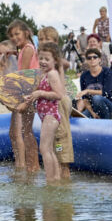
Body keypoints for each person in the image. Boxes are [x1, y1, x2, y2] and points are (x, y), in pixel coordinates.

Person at [18, 42, 65, 183]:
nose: (43, 61)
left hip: (51, 115)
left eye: (47, 59)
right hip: (46, 116)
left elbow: (59, 94)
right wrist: (31, 96)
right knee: (49, 148)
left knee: (44, 148)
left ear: (55, 60)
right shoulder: (45, 74)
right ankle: (56, 178)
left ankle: (49, 180)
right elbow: (41, 93)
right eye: (41, 58)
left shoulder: (52, 74)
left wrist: (40, 93)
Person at [38, 27, 74, 179]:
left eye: (47, 40)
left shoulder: (56, 63)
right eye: (41, 40)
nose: (43, 42)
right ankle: (57, 176)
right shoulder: (47, 64)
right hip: (52, 105)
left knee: (60, 140)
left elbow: (66, 64)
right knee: (52, 143)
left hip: (59, 104)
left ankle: (63, 175)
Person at [7, 19, 39, 172]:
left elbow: (23, 74)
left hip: (28, 95)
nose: (14, 38)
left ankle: (32, 166)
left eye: (17, 34)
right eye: (12, 36)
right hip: (27, 93)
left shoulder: (27, 49)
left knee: (26, 132)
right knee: (24, 131)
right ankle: (29, 165)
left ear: (26, 33)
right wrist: (14, 53)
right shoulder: (25, 49)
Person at [76, 48, 112, 119]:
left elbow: (106, 92)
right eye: (89, 58)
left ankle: (107, 121)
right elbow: (85, 99)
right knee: (80, 118)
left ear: (99, 59)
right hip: (93, 108)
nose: (92, 59)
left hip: (109, 105)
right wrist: (92, 113)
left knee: (96, 98)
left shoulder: (107, 72)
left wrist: (87, 91)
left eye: (95, 57)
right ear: (87, 60)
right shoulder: (84, 76)